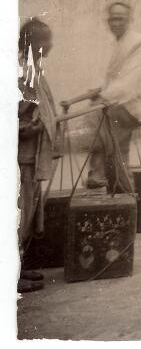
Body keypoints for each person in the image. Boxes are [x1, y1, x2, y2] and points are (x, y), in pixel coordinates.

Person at [65, 2, 141, 192]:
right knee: (117, 155)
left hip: (131, 107)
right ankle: (123, 198)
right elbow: (114, 79)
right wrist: (99, 91)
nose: (116, 23)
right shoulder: (119, 43)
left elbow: (131, 81)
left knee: (112, 149)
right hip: (118, 105)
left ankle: (97, 173)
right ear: (108, 21)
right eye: (112, 19)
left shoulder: (138, 44)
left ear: (129, 20)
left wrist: (104, 95)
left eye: (120, 19)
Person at [18, 18, 58, 294]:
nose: (50, 45)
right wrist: (25, 129)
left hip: (32, 156)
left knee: (29, 213)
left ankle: (17, 268)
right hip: (20, 158)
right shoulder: (20, 72)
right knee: (16, 217)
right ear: (30, 44)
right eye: (44, 41)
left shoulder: (34, 70)